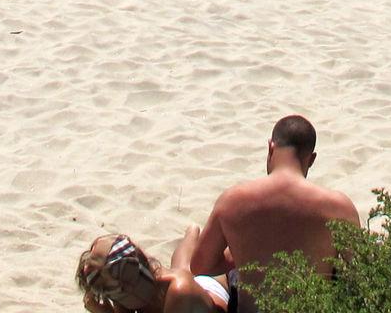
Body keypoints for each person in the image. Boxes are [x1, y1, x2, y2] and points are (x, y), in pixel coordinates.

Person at [191, 115, 360, 311]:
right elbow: (361, 273)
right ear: (311, 159)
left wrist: (243, 256)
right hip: (312, 308)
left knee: (196, 260)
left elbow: (200, 267)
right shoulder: (339, 207)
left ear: (271, 147)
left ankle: (191, 232)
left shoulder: (233, 200)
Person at [77, 229, 227, 312]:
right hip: (186, 280)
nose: (130, 286)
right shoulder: (135, 286)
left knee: (187, 269)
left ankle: (193, 234)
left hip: (215, 292)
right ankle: (192, 233)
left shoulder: (180, 292)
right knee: (183, 266)